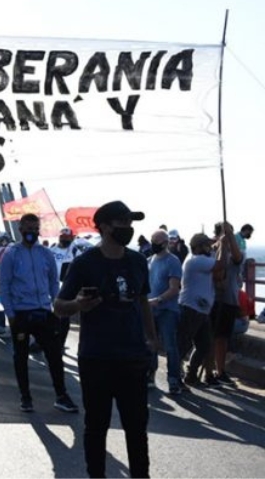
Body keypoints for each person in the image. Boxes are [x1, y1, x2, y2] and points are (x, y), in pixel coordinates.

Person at [54, 200, 158, 479]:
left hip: (133, 358)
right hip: (97, 359)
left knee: (137, 429)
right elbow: (59, 306)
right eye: (123, 223)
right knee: (96, 427)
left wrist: (151, 340)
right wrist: (79, 304)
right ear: (104, 227)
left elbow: (143, 301)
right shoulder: (85, 263)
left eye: (130, 223)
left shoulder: (137, 261)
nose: (129, 228)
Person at [0, 214, 78, 414]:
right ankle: (26, 397)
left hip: (43, 312)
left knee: (54, 355)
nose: (31, 232)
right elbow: (3, 286)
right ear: (20, 228)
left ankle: (61, 395)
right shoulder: (11, 254)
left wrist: (57, 306)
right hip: (21, 314)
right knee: (21, 357)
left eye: (35, 228)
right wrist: (10, 314)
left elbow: (53, 282)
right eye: (28, 228)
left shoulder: (45, 253)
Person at [178, 233, 224, 388]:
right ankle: (176, 376)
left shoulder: (198, 260)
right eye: (206, 245)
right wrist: (223, 246)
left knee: (204, 345)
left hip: (201, 310)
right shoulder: (196, 260)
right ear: (198, 247)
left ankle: (191, 375)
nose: (209, 248)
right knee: (183, 345)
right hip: (191, 308)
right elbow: (220, 265)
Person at [146, 229, 183, 394]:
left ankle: (174, 380)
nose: (154, 245)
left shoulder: (173, 261)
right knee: (150, 344)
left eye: (157, 242)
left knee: (170, 346)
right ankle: (150, 375)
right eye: (152, 241)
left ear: (166, 243)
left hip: (167, 310)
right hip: (150, 309)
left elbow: (174, 288)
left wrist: (158, 300)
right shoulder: (150, 260)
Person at [207, 221, 243, 387]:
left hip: (228, 300)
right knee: (207, 337)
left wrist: (229, 239)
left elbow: (237, 258)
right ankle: (206, 369)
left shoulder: (234, 252)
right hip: (211, 300)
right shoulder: (211, 250)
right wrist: (221, 243)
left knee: (222, 338)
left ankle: (219, 370)